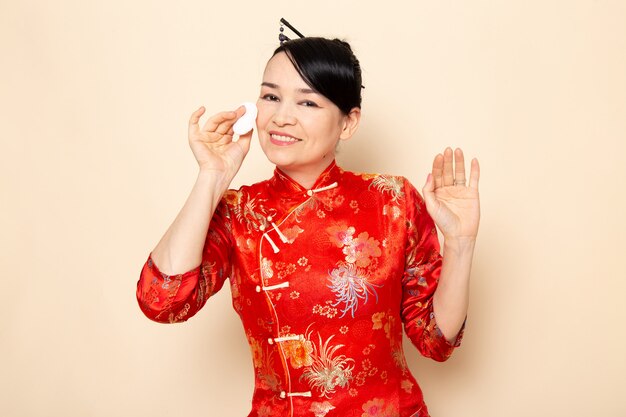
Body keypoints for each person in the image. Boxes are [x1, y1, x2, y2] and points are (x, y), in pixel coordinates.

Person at [136, 33, 480, 417]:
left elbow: (436, 341)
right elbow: (161, 302)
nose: (281, 116)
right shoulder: (239, 212)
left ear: (348, 123)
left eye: (307, 102)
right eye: (270, 96)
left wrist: (461, 244)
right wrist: (212, 178)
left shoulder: (393, 200)